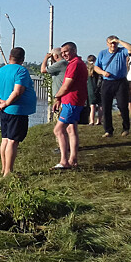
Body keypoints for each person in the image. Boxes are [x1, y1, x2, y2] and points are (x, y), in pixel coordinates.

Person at [0, 47, 37, 177]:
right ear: (23, 59)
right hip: (16, 111)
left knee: (5, 139)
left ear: (10, 57)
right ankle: (8, 172)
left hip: (4, 111)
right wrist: (5, 103)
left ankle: (4, 169)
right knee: (12, 141)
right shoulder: (21, 70)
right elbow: (18, 91)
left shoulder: (0, 71)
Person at [50, 42, 88, 170]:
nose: (64, 54)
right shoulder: (78, 63)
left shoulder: (75, 64)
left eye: (66, 51)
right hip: (72, 100)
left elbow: (66, 85)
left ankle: (64, 160)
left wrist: (57, 97)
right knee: (71, 130)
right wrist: (60, 99)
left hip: (72, 101)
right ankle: (73, 159)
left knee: (58, 130)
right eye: (62, 52)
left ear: (74, 50)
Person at [94, 35, 131, 137]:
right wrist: (102, 72)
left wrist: (119, 41)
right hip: (107, 82)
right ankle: (108, 130)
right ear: (107, 44)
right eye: (111, 43)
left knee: (122, 105)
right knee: (106, 106)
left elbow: (130, 48)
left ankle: (126, 127)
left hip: (120, 81)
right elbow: (96, 67)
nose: (113, 45)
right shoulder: (102, 53)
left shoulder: (122, 51)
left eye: (115, 43)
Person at [86, 55, 102, 125]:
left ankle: (91, 121)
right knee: (100, 106)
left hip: (90, 89)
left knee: (92, 106)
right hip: (99, 88)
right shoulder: (97, 69)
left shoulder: (87, 69)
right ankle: (99, 121)